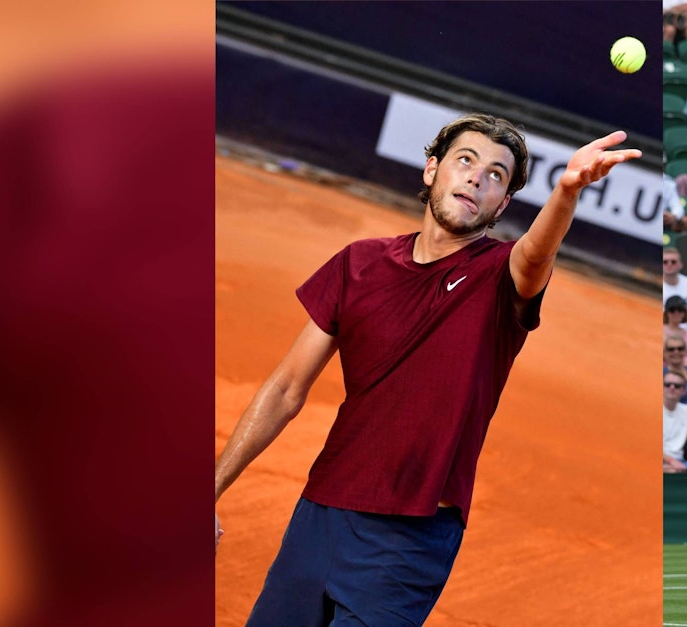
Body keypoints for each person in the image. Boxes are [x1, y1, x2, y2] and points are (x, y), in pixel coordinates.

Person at [213, 114, 640, 626]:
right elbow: (284, 389)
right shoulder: (358, 264)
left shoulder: (500, 278)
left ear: (502, 206)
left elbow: (535, 253)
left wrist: (567, 192)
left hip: (408, 540)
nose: (478, 177)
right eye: (466, 160)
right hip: (320, 514)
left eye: (497, 176)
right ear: (431, 170)